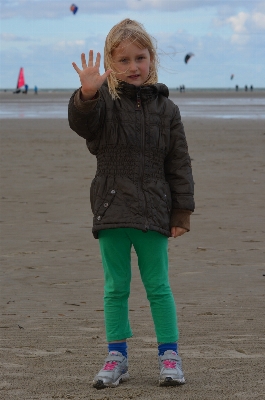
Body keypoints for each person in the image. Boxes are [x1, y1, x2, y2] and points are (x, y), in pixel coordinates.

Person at [68, 18, 194, 389]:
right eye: (124, 60)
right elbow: (83, 124)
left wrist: (181, 212)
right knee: (115, 287)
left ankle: (169, 355)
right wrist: (88, 95)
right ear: (111, 63)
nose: (134, 67)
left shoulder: (167, 109)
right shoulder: (103, 103)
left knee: (159, 286)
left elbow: (179, 162)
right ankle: (116, 356)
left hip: (155, 208)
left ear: (151, 59)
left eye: (140, 58)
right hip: (111, 208)